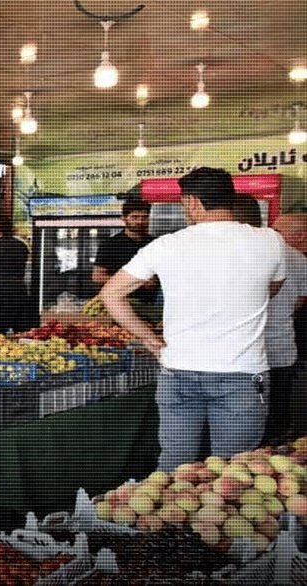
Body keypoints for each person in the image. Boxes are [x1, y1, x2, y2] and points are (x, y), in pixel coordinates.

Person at [100, 168, 285, 472]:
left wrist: (149, 340)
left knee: (176, 466)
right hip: (242, 372)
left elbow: (110, 294)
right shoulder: (270, 241)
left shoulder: (165, 245)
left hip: (178, 370)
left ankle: (169, 504)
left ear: (193, 202)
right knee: (234, 472)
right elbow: (272, 289)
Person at [260, 211, 307, 441]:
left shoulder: (284, 256)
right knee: (278, 406)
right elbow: (300, 300)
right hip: (284, 349)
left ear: (301, 236)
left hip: (265, 351)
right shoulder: (297, 258)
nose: (272, 234)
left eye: (278, 231)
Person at [92, 197, 157, 302]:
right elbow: (98, 277)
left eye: (144, 217)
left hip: (151, 303)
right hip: (117, 301)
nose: (140, 221)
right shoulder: (110, 244)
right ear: (123, 218)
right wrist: (138, 282)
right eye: (134, 217)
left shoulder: (156, 244)